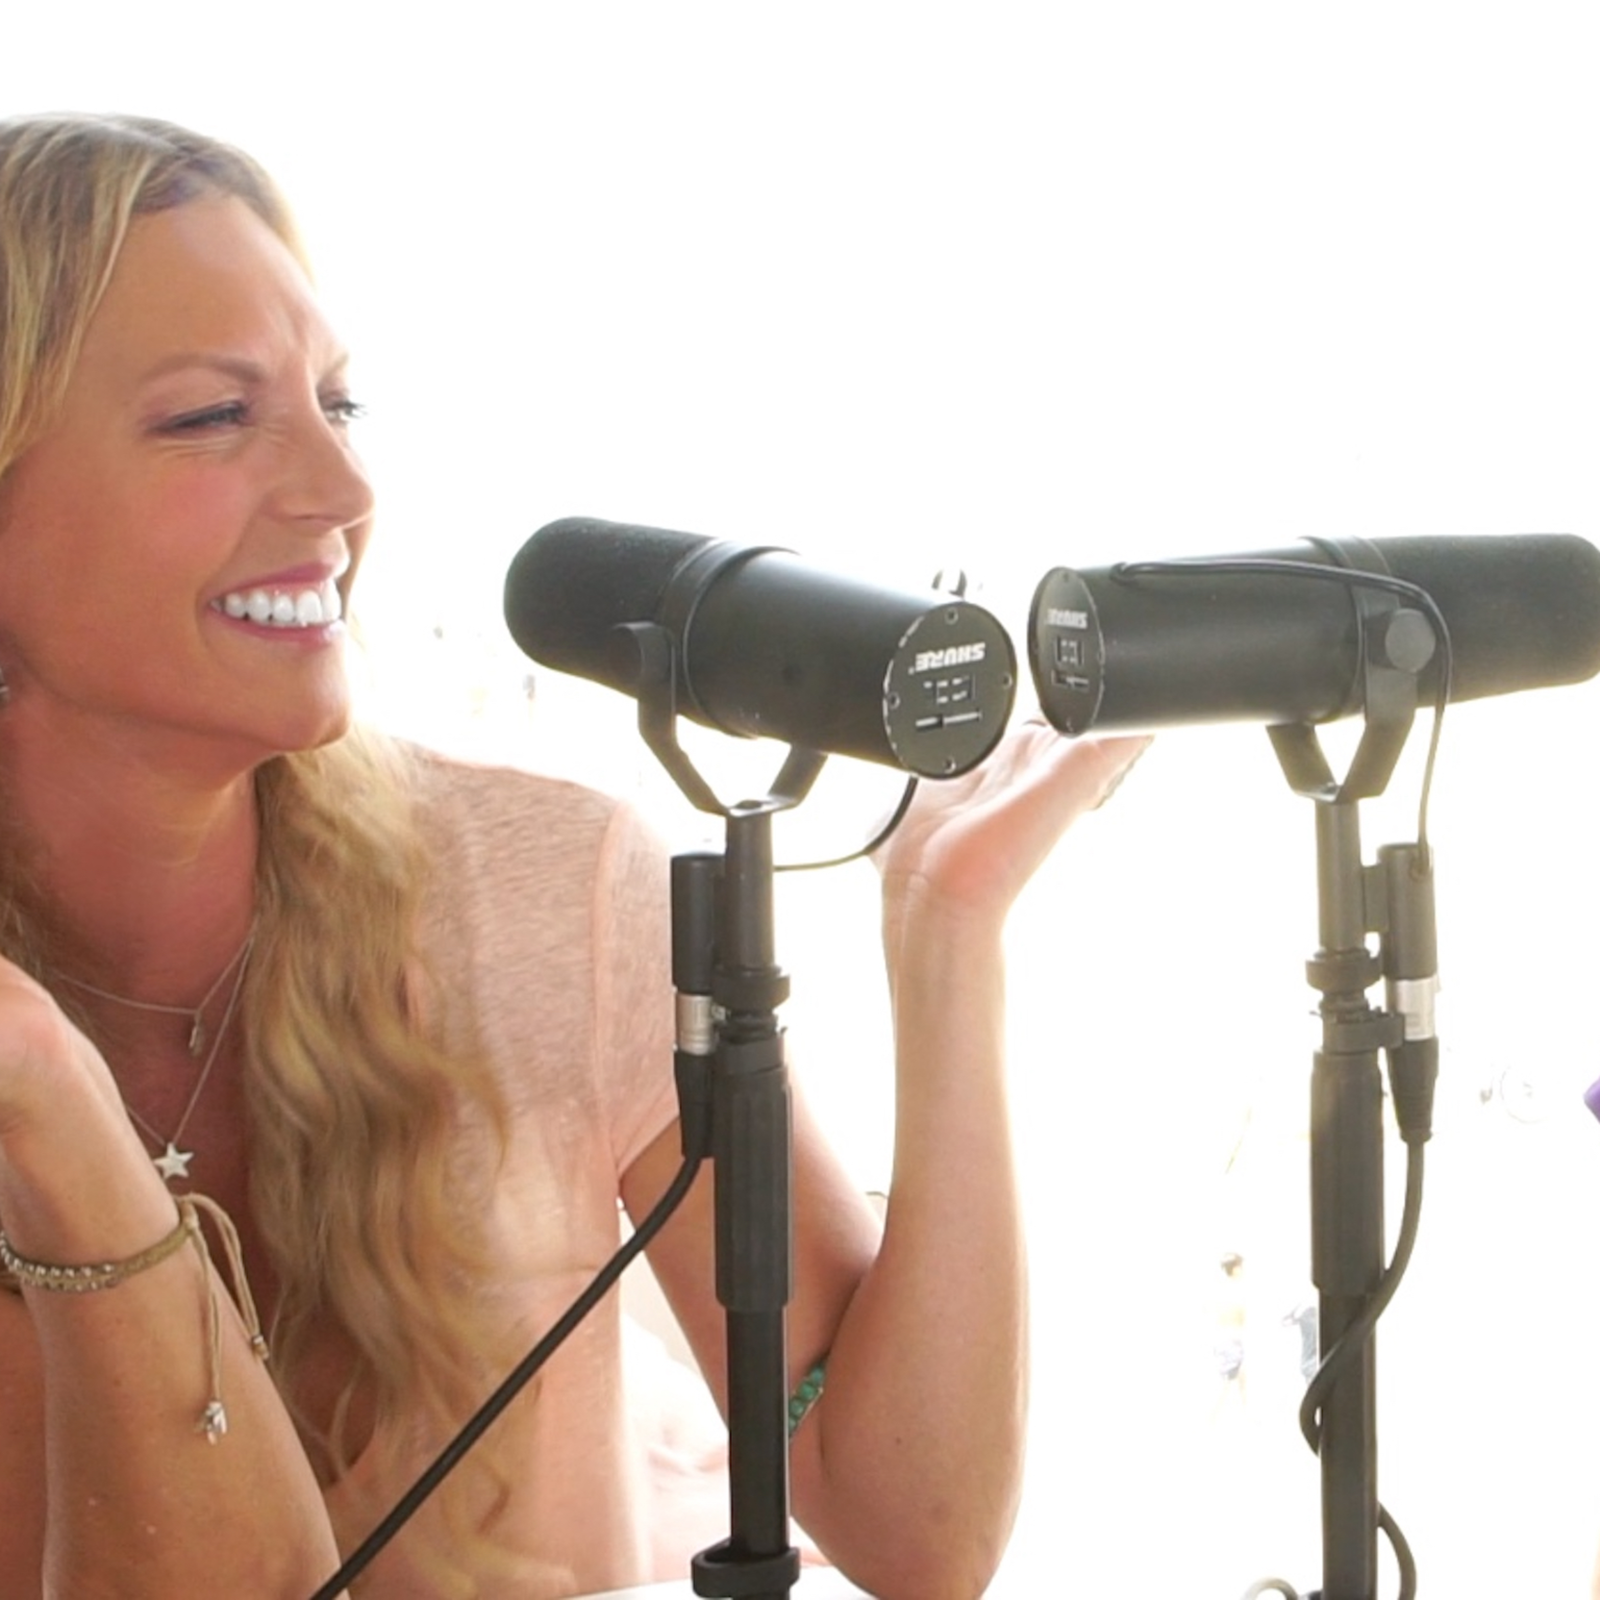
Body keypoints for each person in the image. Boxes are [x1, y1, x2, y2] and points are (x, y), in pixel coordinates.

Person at [0, 111, 1148, 1600]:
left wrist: (948, 940)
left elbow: (911, 1526)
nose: (343, 494)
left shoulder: (545, 892)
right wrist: (57, 1117)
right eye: (214, 417)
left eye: (339, 404)